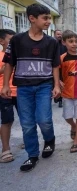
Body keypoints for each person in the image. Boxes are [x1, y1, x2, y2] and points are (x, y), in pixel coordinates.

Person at [1, 3, 61, 172]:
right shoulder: (18, 40)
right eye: (45, 18)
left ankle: (49, 140)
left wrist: (56, 85)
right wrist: (6, 85)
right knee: (27, 124)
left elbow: (55, 65)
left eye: (49, 18)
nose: (49, 21)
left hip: (44, 86)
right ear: (32, 19)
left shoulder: (51, 43)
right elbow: (9, 64)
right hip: (24, 88)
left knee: (44, 120)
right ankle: (32, 155)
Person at [60, 30, 77, 153]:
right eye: (71, 41)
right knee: (67, 116)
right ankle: (73, 125)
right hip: (67, 92)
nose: (74, 44)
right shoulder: (62, 58)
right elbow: (56, 72)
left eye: (76, 41)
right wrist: (58, 82)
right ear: (64, 42)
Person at [0, 29, 17, 163]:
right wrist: (6, 66)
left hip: (20, 91)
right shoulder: (0, 56)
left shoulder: (18, 55)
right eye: (10, 39)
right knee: (7, 120)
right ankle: (5, 149)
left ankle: (29, 142)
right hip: (4, 93)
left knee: (27, 118)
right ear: (1, 41)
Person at [53, 29, 67, 108]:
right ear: (54, 34)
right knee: (56, 81)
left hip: (62, 66)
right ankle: (57, 97)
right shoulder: (52, 44)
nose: (59, 36)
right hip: (55, 66)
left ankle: (61, 99)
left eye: (60, 34)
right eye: (58, 34)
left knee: (62, 82)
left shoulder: (64, 45)